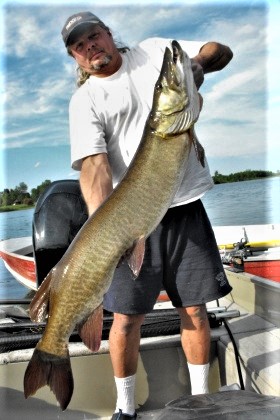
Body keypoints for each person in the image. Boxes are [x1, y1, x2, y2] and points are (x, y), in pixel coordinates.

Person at [61, 11, 233, 420]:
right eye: (79, 46)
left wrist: (198, 66)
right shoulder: (85, 100)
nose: (91, 47)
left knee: (194, 309)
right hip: (132, 220)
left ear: (108, 34)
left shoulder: (155, 52)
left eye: (94, 37)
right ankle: (125, 410)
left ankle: (201, 400)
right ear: (75, 57)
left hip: (185, 206)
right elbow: (96, 168)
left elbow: (219, 51)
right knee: (126, 318)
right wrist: (105, 229)